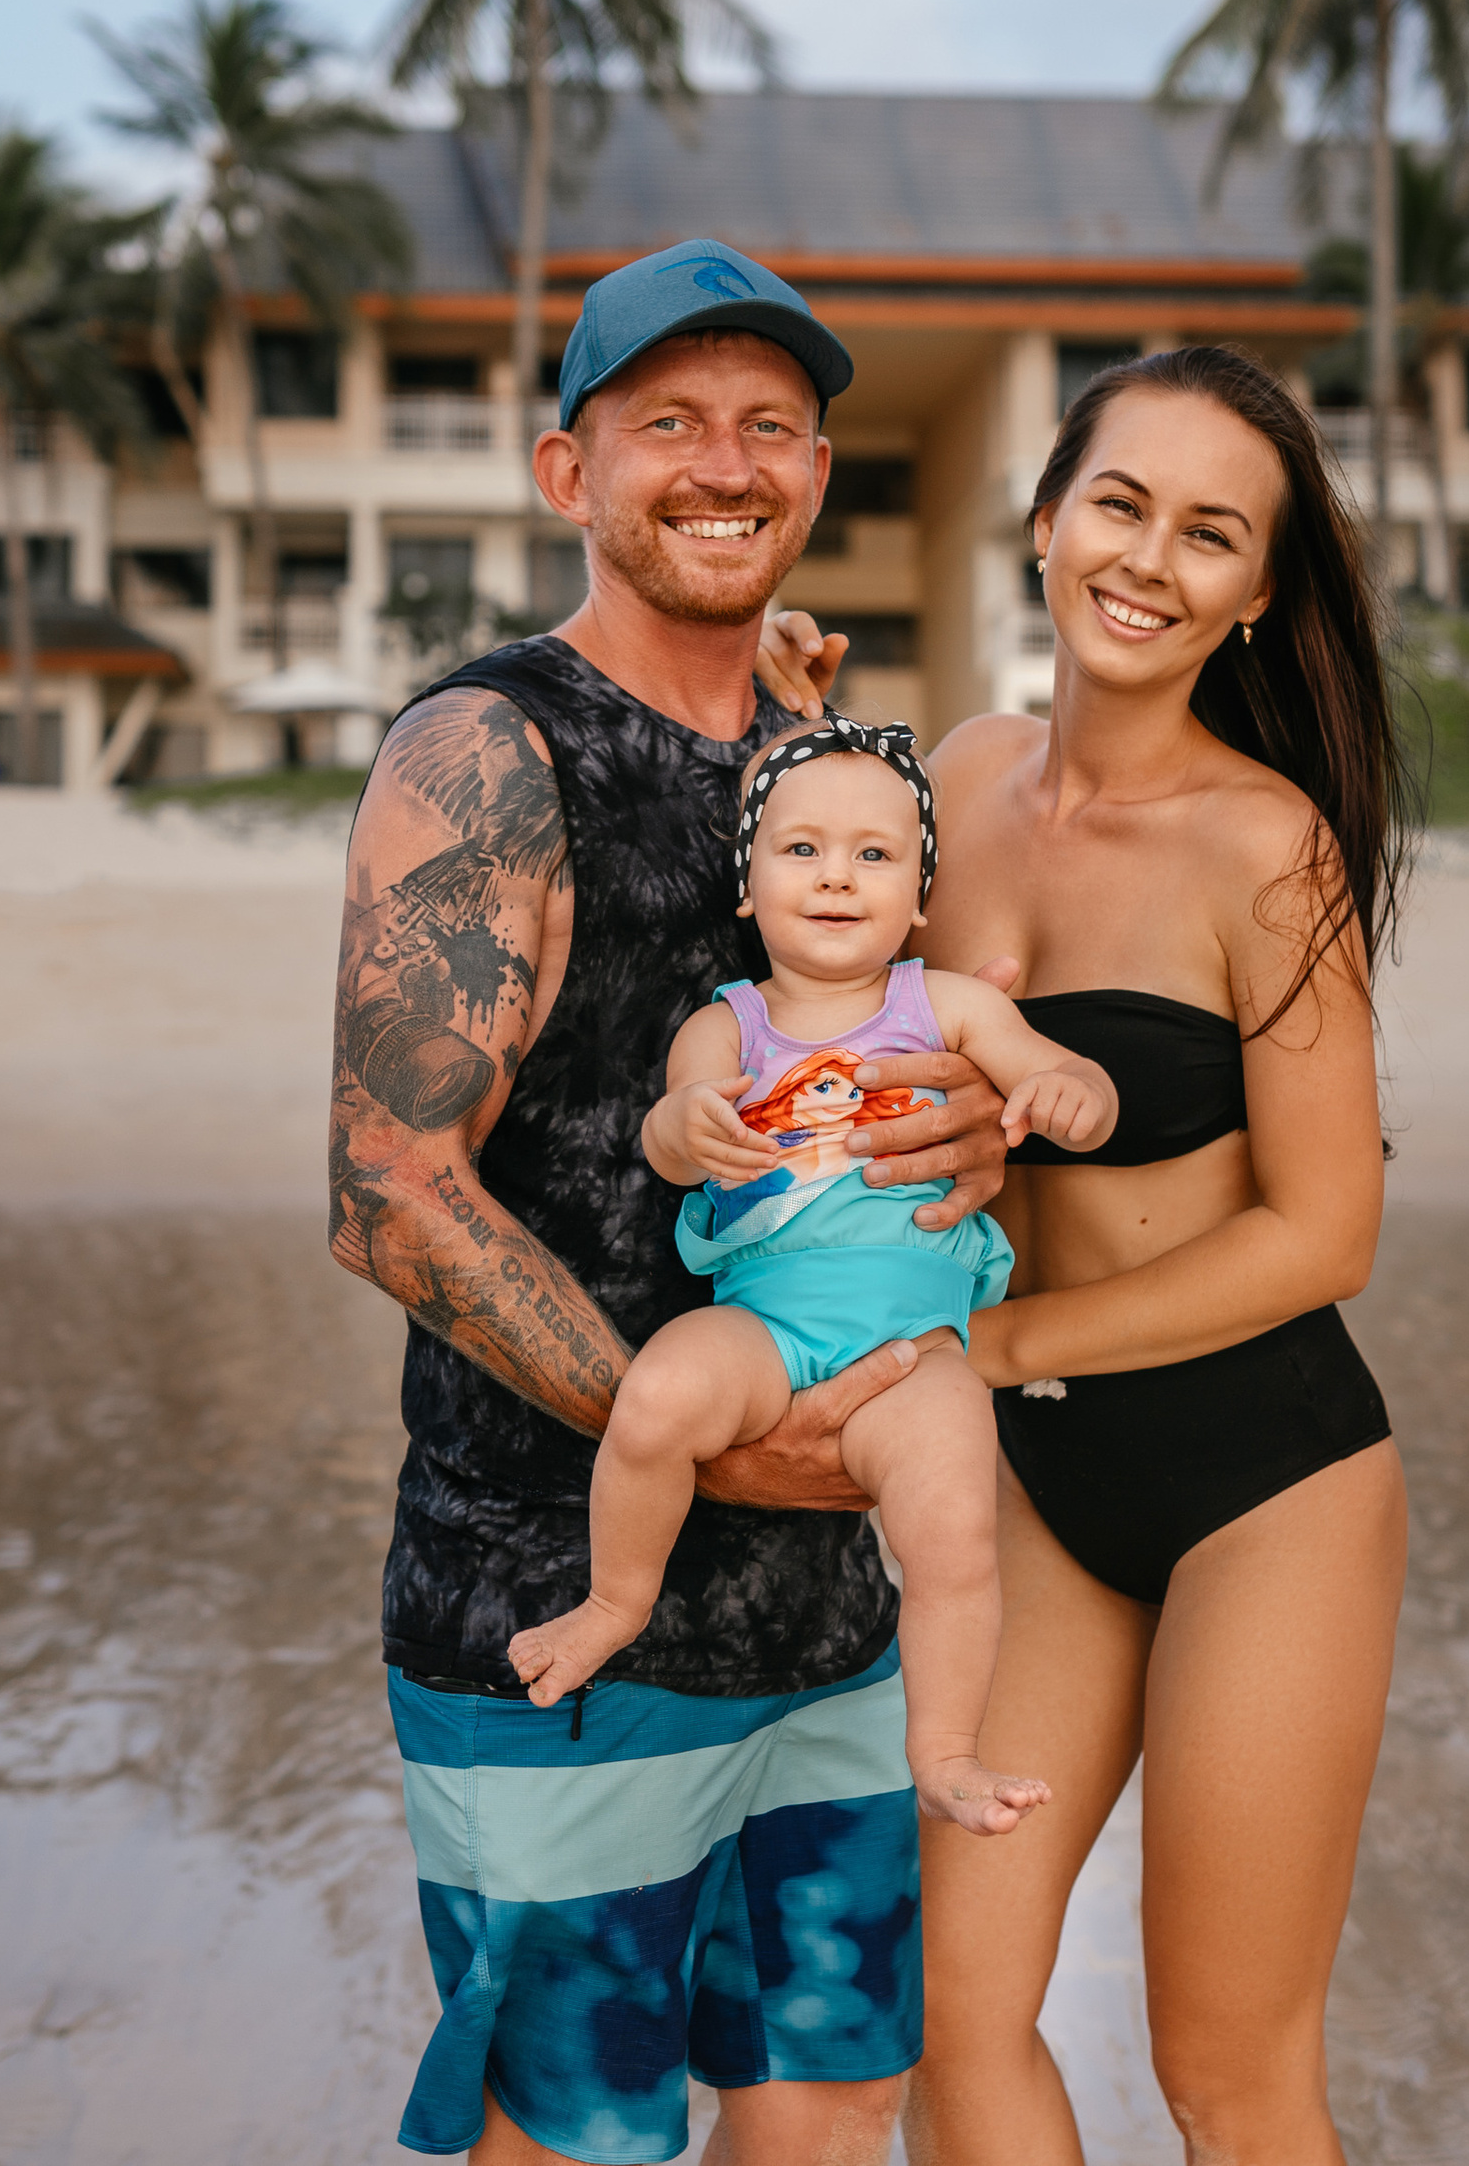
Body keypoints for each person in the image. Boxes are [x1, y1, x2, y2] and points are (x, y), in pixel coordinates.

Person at [329, 239, 1016, 2166]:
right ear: (572, 475)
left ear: (815, 474)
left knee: (832, 2102)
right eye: (668, 426)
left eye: (770, 426)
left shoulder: (811, 779)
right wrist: (713, 1446)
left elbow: (882, 1056)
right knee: (577, 2134)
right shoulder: (486, 750)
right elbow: (388, 1192)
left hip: (831, 1622)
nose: (725, 464)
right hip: (555, 1608)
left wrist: (967, 1136)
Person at [879, 345, 1415, 2166]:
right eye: (1119, 502)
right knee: (953, 2024)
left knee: (1229, 2074)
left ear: (1254, 595)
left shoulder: (1267, 849)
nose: (1149, 557)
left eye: (1210, 534)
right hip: (1043, 1484)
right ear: (1043, 519)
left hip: (1266, 1484)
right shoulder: (958, 776)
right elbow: (825, 937)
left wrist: (1010, 1337)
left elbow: (1326, 1232)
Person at [507, 719, 1117, 1844]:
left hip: (914, 1351)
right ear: (746, 885)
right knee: (654, 1401)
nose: (837, 874)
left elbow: (1051, 1069)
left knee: (952, 1525)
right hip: (766, 1323)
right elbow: (668, 1131)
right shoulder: (726, 1024)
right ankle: (613, 1600)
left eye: (874, 855)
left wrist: (1073, 1091)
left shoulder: (946, 1006)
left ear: (920, 892)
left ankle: (943, 1753)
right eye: (802, 851)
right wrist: (692, 1127)